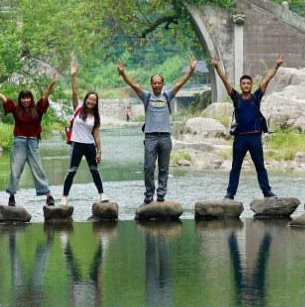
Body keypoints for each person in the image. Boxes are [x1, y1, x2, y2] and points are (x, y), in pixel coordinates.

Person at [117, 56, 197, 204]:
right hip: (150, 137)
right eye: (154, 83)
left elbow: (180, 82)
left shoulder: (167, 95)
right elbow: (133, 84)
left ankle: (161, 194)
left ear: (163, 84)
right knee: (148, 167)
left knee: (164, 168)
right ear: (151, 84)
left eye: (159, 83)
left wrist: (191, 70)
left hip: (165, 137)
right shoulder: (147, 96)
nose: (157, 85)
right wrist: (122, 73)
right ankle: (148, 194)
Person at [212, 54, 283, 200]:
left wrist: (276, 66)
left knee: (260, 166)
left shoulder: (256, 97)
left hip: (255, 137)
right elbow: (225, 80)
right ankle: (230, 193)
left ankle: (267, 191)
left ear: (251, 86)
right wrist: (217, 66)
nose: (246, 85)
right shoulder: (236, 97)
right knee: (235, 167)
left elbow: (266, 80)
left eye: (248, 84)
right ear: (240, 85)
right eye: (243, 83)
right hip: (239, 138)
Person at [0, 70, 60, 207]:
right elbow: (5, 99)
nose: (26, 100)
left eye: (28, 98)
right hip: (19, 142)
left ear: (31, 98)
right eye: (23, 98)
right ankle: (12, 196)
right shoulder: (16, 109)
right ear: (20, 99)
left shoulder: (38, 108)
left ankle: (48, 195)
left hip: (33, 141)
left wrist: (51, 84)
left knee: (38, 169)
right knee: (15, 169)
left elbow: (45, 96)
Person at [62, 62, 106, 204]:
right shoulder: (78, 109)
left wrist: (99, 151)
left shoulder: (95, 117)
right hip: (77, 144)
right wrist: (73, 76)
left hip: (89, 145)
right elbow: (74, 92)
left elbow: (97, 136)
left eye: (94, 100)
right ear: (86, 99)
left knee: (94, 170)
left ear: (96, 103)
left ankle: (102, 194)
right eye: (89, 99)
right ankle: (64, 197)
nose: (91, 102)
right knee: (72, 171)